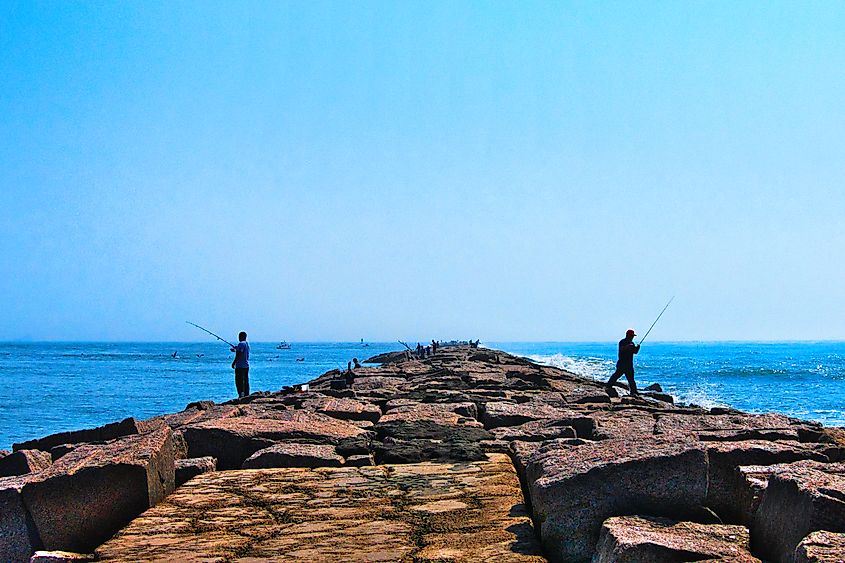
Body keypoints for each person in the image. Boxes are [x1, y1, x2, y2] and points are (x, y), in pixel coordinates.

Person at [606, 329, 640, 396]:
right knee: (616, 376)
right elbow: (621, 349)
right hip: (622, 363)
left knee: (631, 379)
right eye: (631, 336)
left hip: (629, 364)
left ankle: (634, 392)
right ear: (628, 335)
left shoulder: (632, 343)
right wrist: (628, 346)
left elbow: (635, 352)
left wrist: (637, 348)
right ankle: (608, 386)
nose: (632, 337)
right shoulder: (622, 342)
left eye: (633, 336)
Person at [230, 331, 250, 398]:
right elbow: (242, 352)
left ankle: (241, 395)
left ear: (242, 336)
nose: (238, 338)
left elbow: (239, 354)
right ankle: (246, 394)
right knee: (245, 381)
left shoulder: (241, 344)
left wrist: (234, 362)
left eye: (239, 336)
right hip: (246, 365)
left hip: (240, 366)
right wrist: (236, 349)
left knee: (239, 381)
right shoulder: (247, 344)